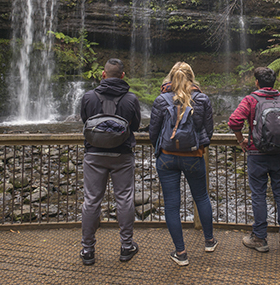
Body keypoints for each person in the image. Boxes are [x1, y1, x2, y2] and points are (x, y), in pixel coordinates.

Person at [149, 62, 216, 266]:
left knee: (171, 204)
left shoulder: (161, 100)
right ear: (192, 77)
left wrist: (160, 149)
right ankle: (209, 241)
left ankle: (181, 253)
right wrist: (199, 147)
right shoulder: (202, 99)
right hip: (194, 156)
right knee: (201, 197)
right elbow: (208, 131)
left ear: (170, 78)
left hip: (167, 157)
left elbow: (154, 131)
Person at [228, 66, 280, 253]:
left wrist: (241, 140)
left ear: (257, 82)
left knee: (259, 195)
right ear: (274, 82)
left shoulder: (251, 100)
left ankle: (260, 238)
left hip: (256, 155)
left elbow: (234, 121)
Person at [79, 58, 141, 265]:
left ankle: (87, 250)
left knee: (91, 200)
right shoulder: (131, 99)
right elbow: (136, 126)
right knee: (124, 198)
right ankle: (126, 246)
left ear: (103, 74)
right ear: (123, 76)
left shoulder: (88, 97)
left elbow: (85, 121)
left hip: (94, 155)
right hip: (122, 155)